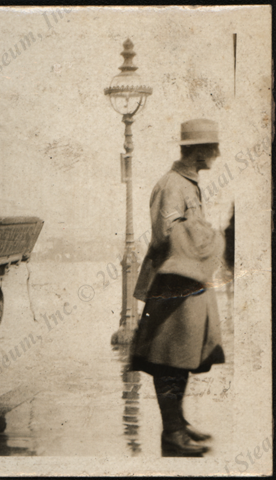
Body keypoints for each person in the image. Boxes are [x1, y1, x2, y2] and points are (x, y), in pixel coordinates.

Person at [130, 119, 226, 455]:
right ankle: (172, 432)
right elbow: (166, 235)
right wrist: (209, 237)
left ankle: (179, 423)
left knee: (182, 355)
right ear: (198, 150)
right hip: (173, 285)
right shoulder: (172, 185)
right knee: (167, 358)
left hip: (188, 282)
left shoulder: (188, 182)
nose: (217, 151)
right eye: (212, 146)